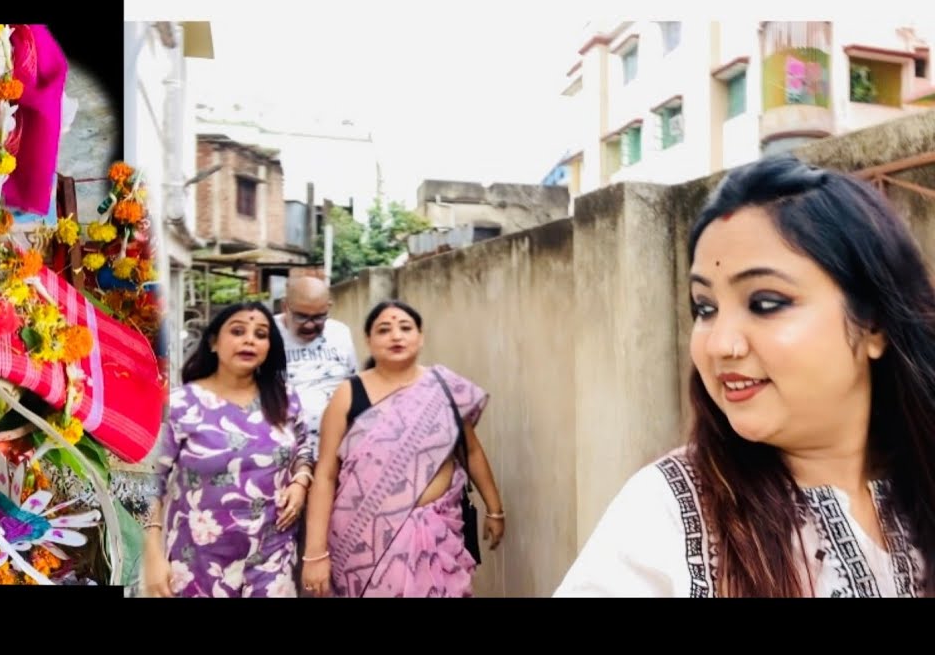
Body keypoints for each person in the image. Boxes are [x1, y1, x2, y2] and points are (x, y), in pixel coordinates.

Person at [554, 154, 935, 598]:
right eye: (705, 308)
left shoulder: (921, 483)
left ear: (873, 324)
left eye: (765, 303)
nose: (718, 345)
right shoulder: (667, 512)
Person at [300, 299, 505, 597]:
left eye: (405, 328)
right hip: (362, 543)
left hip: (436, 536)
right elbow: (326, 475)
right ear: (368, 341)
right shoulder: (349, 394)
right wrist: (315, 553)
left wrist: (495, 510)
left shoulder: (445, 388)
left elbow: (470, 451)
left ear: (420, 337)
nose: (396, 336)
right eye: (384, 330)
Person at [143, 301, 314, 597]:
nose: (249, 340)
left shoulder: (284, 399)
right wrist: (153, 556)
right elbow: (149, 482)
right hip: (197, 561)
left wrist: (300, 482)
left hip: (272, 558)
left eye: (261, 335)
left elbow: (304, 451)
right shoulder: (183, 405)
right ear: (213, 342)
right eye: (238, 331)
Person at [275, 276, 359, 463]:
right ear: (285, 306)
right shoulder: (267, 334)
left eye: (319, 317)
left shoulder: (340, 333)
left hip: (336, 452)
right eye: (302, 316)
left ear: (328, 306)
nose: (310, 324)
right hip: (285, 455)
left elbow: (353, 385)